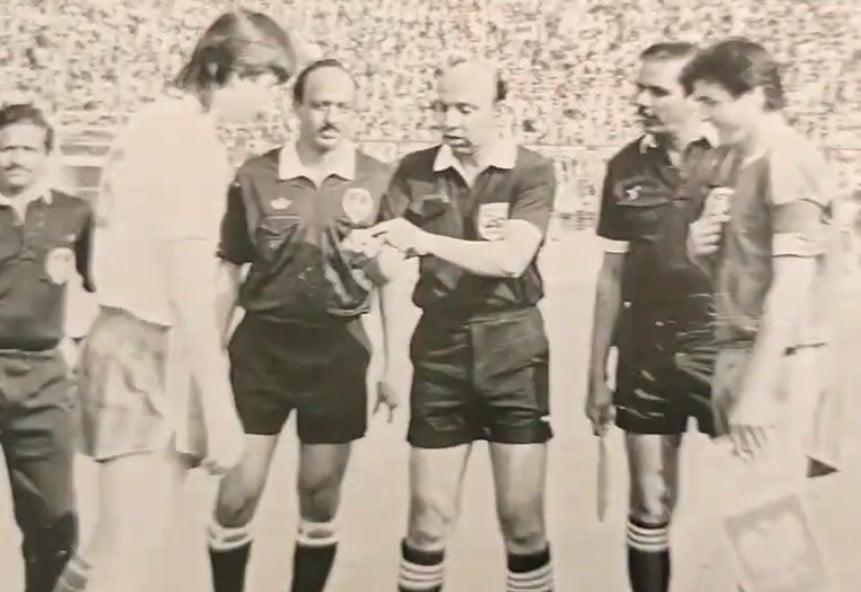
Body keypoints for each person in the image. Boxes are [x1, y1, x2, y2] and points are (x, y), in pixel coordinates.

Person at [52, 10, 305, 592]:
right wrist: (218, 407)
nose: (269, 106)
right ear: (236, 71)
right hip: (147, 342)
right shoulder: (191, 142)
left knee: (107, 548)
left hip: (119, 332)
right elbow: (189, 287)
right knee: (130, 558)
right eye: (269, 85)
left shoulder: (147, 123)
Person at [206, 58, 395, 592]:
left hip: (338, 350)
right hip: (262, 348)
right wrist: (208, 353)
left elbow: (391, 279)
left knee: (319, 493)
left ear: (355, 111)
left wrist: (392, 365)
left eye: (341, 105)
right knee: (238, 491)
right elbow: (228, 266)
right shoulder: (256, 175)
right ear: (298, 108)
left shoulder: (378, 179)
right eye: (319, 104)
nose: (330, 117)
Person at [372, 57, 557, 592]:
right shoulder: (413, 170)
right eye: (441, 107)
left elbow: (510, 259)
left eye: (464, 108)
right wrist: (369, 251)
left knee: (522, 525)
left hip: (514, 347)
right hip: (441, 349)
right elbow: (386, 262)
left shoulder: (532, 170)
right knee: (427, 521)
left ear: (501, 112)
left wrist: (423, 241)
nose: (449, 120)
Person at [683, 37, 840, 589]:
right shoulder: (729, 162)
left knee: (762, 536)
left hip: (775, 361)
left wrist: (756, 388)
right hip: (737, 353)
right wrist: (697, 250)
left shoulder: (789, 162)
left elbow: (791, 288)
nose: (701, 114)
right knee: (747, 539)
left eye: (710, 100)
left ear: (752, 94)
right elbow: (738, 275)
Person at [584, 42, 718, 592]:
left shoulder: (734, 157)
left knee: (754, 500)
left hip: (723, 346)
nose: (640, 100)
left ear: (695, 98)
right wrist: (596, 373)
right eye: (638, 87)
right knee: (649, 500)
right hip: (646, 350)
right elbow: (610, 277)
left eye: (657, 91)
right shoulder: (624, 166)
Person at [0, 103, 93, 592]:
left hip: (41, 376)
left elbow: (105, 288)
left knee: (54, 520)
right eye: (6, 147)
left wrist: (79, 343)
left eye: (26, 148)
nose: (15, 157)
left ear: (46, 154)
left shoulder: (73, 213)